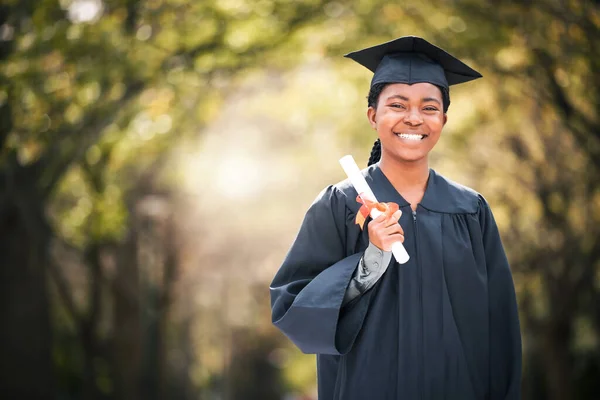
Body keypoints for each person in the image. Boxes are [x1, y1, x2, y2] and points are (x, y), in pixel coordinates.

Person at [270, 36, 522, 400]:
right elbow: (293, 308)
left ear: (443, 119)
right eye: (398, 105)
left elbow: (500, 328)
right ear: (373, 116)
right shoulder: (340, 205)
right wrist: (369, 261)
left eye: (429, 108)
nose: (414, 118)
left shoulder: (471, 210)